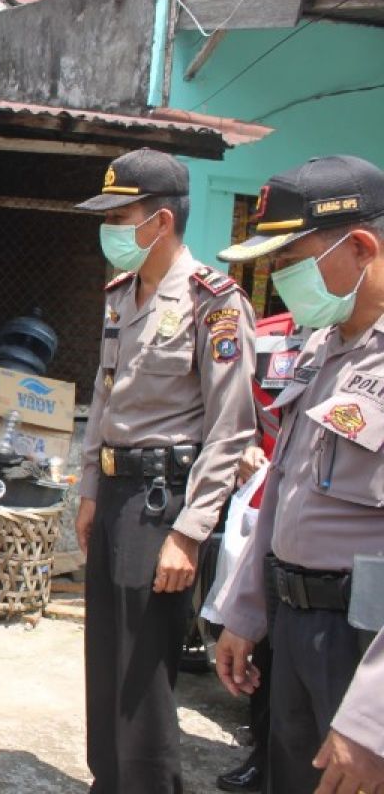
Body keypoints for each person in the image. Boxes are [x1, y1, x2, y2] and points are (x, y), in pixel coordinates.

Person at [73, 147, 257, 794]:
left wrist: (190, 530)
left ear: (160, 222)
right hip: (119, 490)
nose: (110, 230)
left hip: (163, 502)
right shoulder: (123, 293)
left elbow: (232, 428)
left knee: (144, 671)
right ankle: (110, 780)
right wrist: (91, 489)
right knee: (107, 656)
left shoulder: (216, 302)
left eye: (120, 216)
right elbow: (105, 392)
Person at [210, 154, 384, 794]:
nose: (278, 278)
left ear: (361, 246)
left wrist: (374, 719)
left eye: (291, 260)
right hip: (296, 628)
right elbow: (282, 496)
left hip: (364, 645)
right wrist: (245, 613)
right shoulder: (324, 346)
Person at [214, 309, 302, 793]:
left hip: (340, 540)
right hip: (265, 514)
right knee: (261, 647)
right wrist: (245, 445)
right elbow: (230, 404)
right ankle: (262, 756)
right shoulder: (269, 336)